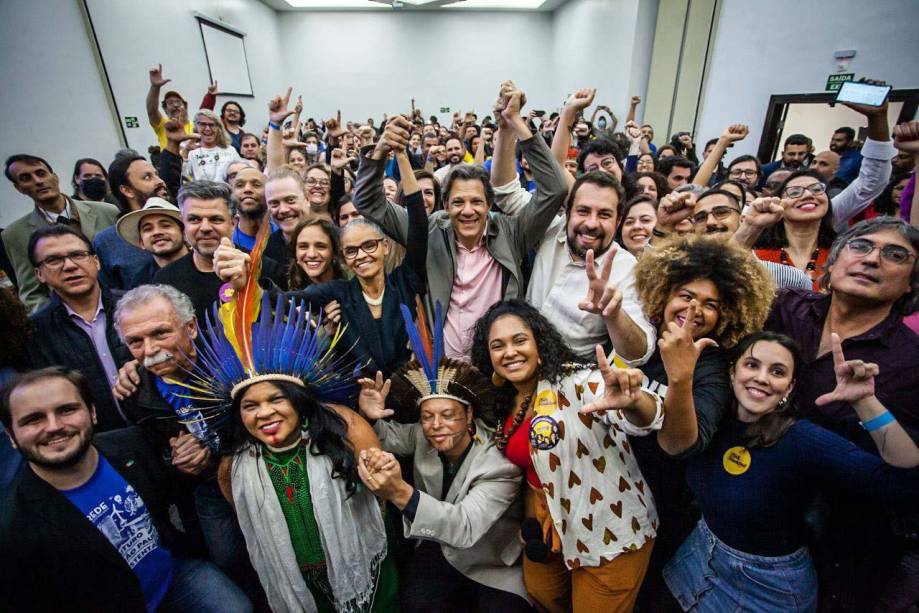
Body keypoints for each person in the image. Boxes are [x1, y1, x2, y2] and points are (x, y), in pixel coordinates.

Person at [663, 331, 919, 613]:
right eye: (752, 365)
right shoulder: (711, 421)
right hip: (699, 557)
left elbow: (904, 484)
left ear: (788, 388)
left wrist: (865, 402)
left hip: (766, 588)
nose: (762, 377)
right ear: (732, 373)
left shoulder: (802, 440)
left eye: (777, 371)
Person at [0, 367, 251, 612]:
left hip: (176, 576)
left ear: (93, 412)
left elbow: (180, 486)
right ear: (11, 435)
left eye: (67, 410)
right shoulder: (12, 526)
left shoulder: (131, 445)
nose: (53, 426)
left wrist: (196, 457)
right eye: (34, 419)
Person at [764, 218, 919, 610]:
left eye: (895, 255)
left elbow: (909, 468)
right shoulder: (784, 308)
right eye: (861, 247)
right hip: (754, 516)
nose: (873, 260)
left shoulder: (911, 361)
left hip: (843, 546)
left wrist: (868, 407)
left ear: (911, 285)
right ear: (830, 265)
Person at [470, 299, 663, 611]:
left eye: (520, 340)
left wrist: (634, 402)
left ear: (540, 342)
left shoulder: (578, 382)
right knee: (541, 595)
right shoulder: (502, 400)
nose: (510, 352)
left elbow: (647, 416)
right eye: (498, 345)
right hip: (547, 531)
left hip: (608, 532)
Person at [354, 82, 568, 359]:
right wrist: (380, 150)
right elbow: (368, 201)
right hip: (441, 370)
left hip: (497, 369)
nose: (468, 211)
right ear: (445, 206)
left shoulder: (512, 233)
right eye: (458, 202)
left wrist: (516, 123)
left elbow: (555, 189)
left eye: (477, 202)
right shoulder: (428, 231)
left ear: (490, 205)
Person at [628, 235, 775, 611]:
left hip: (659, 512)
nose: (695, 309)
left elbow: (681, 445)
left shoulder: (715, 365)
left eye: (710, 305)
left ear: (724, 316)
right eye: (686, 296)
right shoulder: (637, 339)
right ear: (663, 295)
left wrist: (680, 377)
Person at [355, 312, 530, 611]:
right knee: (417, 602)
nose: (436, 425)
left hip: (490, 561)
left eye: (448, 415)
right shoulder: (424, 436)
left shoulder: (498, 462)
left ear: (469, 415)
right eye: (427, 416)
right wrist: (372, 417)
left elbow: (463, 526)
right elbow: (387, 436)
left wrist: (399, 491)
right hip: (439, 548)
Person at [216, 145, 428, 377]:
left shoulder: (404, 281)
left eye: (369, 245)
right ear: (343, 256)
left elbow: (418, 223)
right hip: (360, 395)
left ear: (384, 246)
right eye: (351, 250)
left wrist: (401, 156)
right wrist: (244, 281)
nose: (362, 255)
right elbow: (282, 300)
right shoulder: (339, 292)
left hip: (407, 391)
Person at [491, 152, 655, 363]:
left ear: (619, 220)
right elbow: (507, 193)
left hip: (568, 385)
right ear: (568, 211)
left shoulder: (626, 268)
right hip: (516, 365)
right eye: (583, 211)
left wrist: (613, 314)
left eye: (604, 214)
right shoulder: (550, 229)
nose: (592, 223)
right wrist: (507, 127)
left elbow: (638, 353)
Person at [25, 225, 132, 432]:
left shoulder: (137, 305)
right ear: (39, 274)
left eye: (78, 255)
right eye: (54, 260)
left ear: (96, 261)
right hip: (96, 443)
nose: (69, 266)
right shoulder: (35, 333)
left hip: (161, 432)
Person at [153, 180, 283, 325]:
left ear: (233, 223)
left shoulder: (266, 269)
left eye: (216, 219)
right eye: (194, 219)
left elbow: (289, 325)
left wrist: (248, 288)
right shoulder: (165, 280)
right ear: (183, 224)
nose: (205, 228)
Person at [3, 154, 119, 312]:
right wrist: (60, 322)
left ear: (54, 177)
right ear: (19, 188)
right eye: (25, 178)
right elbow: (32, 294)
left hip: (120, 306)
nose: (37, 181)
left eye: (41, 173)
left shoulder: (107, 212)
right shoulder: (16, 234)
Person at [93, 150, 167, 290]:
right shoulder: (107, 241)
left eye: (157, 175)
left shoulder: (184, 223)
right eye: (147, 177)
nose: (160, 182)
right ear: (127, 191)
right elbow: (111, 294)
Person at [115, 198, 188, 271]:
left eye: (165, 225)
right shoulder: (142, 280)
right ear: (141, 242)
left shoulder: (199, 267)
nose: (157, 232)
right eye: (148, 229)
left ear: (185, 234)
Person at [286, 217, 344, 291]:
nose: (311, 254)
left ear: (334, 252)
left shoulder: (354, 282)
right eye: (303, 246)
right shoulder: (287, 287)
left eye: (320, 246)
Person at [185, 109, 241, 182]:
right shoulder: (191, 152)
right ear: (196, 127)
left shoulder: (230, 150)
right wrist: (186, 151)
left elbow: (241, 173)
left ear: (218, 128)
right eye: (203, 124)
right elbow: (183, 177)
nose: (208, 129)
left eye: (212, 125)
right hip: (201, 192)